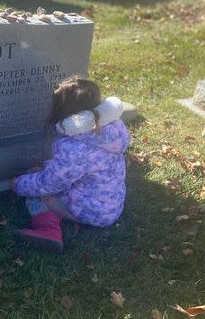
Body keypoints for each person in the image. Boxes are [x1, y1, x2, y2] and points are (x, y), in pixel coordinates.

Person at [11, 76, 130, 252]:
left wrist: (18, 184)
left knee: (37, 195)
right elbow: (80, 169)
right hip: (110, 204)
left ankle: (49, 229)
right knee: (49, 177)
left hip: (92, 212)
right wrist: (47, 168)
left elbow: (49, 184)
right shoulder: (112, 128)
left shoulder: (75, 146)